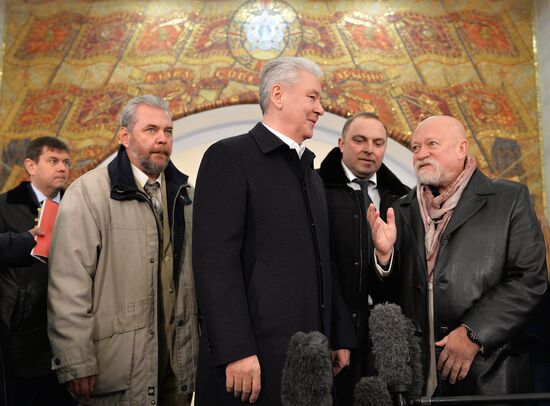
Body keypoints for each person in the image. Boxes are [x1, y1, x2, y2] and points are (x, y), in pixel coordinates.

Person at [192, 56, 355, 405]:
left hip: (309, 363)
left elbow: (325, 261)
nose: (321, 109)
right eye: (312, 97)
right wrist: (235, 350)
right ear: (278, 95)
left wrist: (338, 333)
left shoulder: (311, 176)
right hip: (253, 361)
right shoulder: (229, 157)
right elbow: (214, 263)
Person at [367, 115, 548, 399]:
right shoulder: (401, 209)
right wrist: (384, 257)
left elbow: (529, 279)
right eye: (415, 148)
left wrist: (474, 333)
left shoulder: (508, 199)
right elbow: (388, 299)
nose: (421, 153)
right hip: (417, 378)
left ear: (461, 148)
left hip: (487, 374)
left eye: (432, 144)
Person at [47, 95, 199, 405]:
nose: (162, 139)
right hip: (117, 369)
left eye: (168, 131)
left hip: (177, 368)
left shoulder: (187, 196)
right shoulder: (88, 195)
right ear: (124, 136)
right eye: (151, 130)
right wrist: (76, 360)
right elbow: (68, 285)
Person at [318, 112, 409, 405]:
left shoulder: (402, 199)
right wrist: (336, 331)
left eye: (378, 142)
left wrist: (385, 260)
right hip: (331, 333)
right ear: (342, 143)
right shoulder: (316, 189)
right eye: (360, 140)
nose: (369, 148)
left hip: (383, 340)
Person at [0, 136, 72, 406]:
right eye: (53, 161)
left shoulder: (78, 205)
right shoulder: (5, 206)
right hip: (20, 335)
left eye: (66, 162)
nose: (62, 168)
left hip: (68, 326)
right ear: (31, 165)